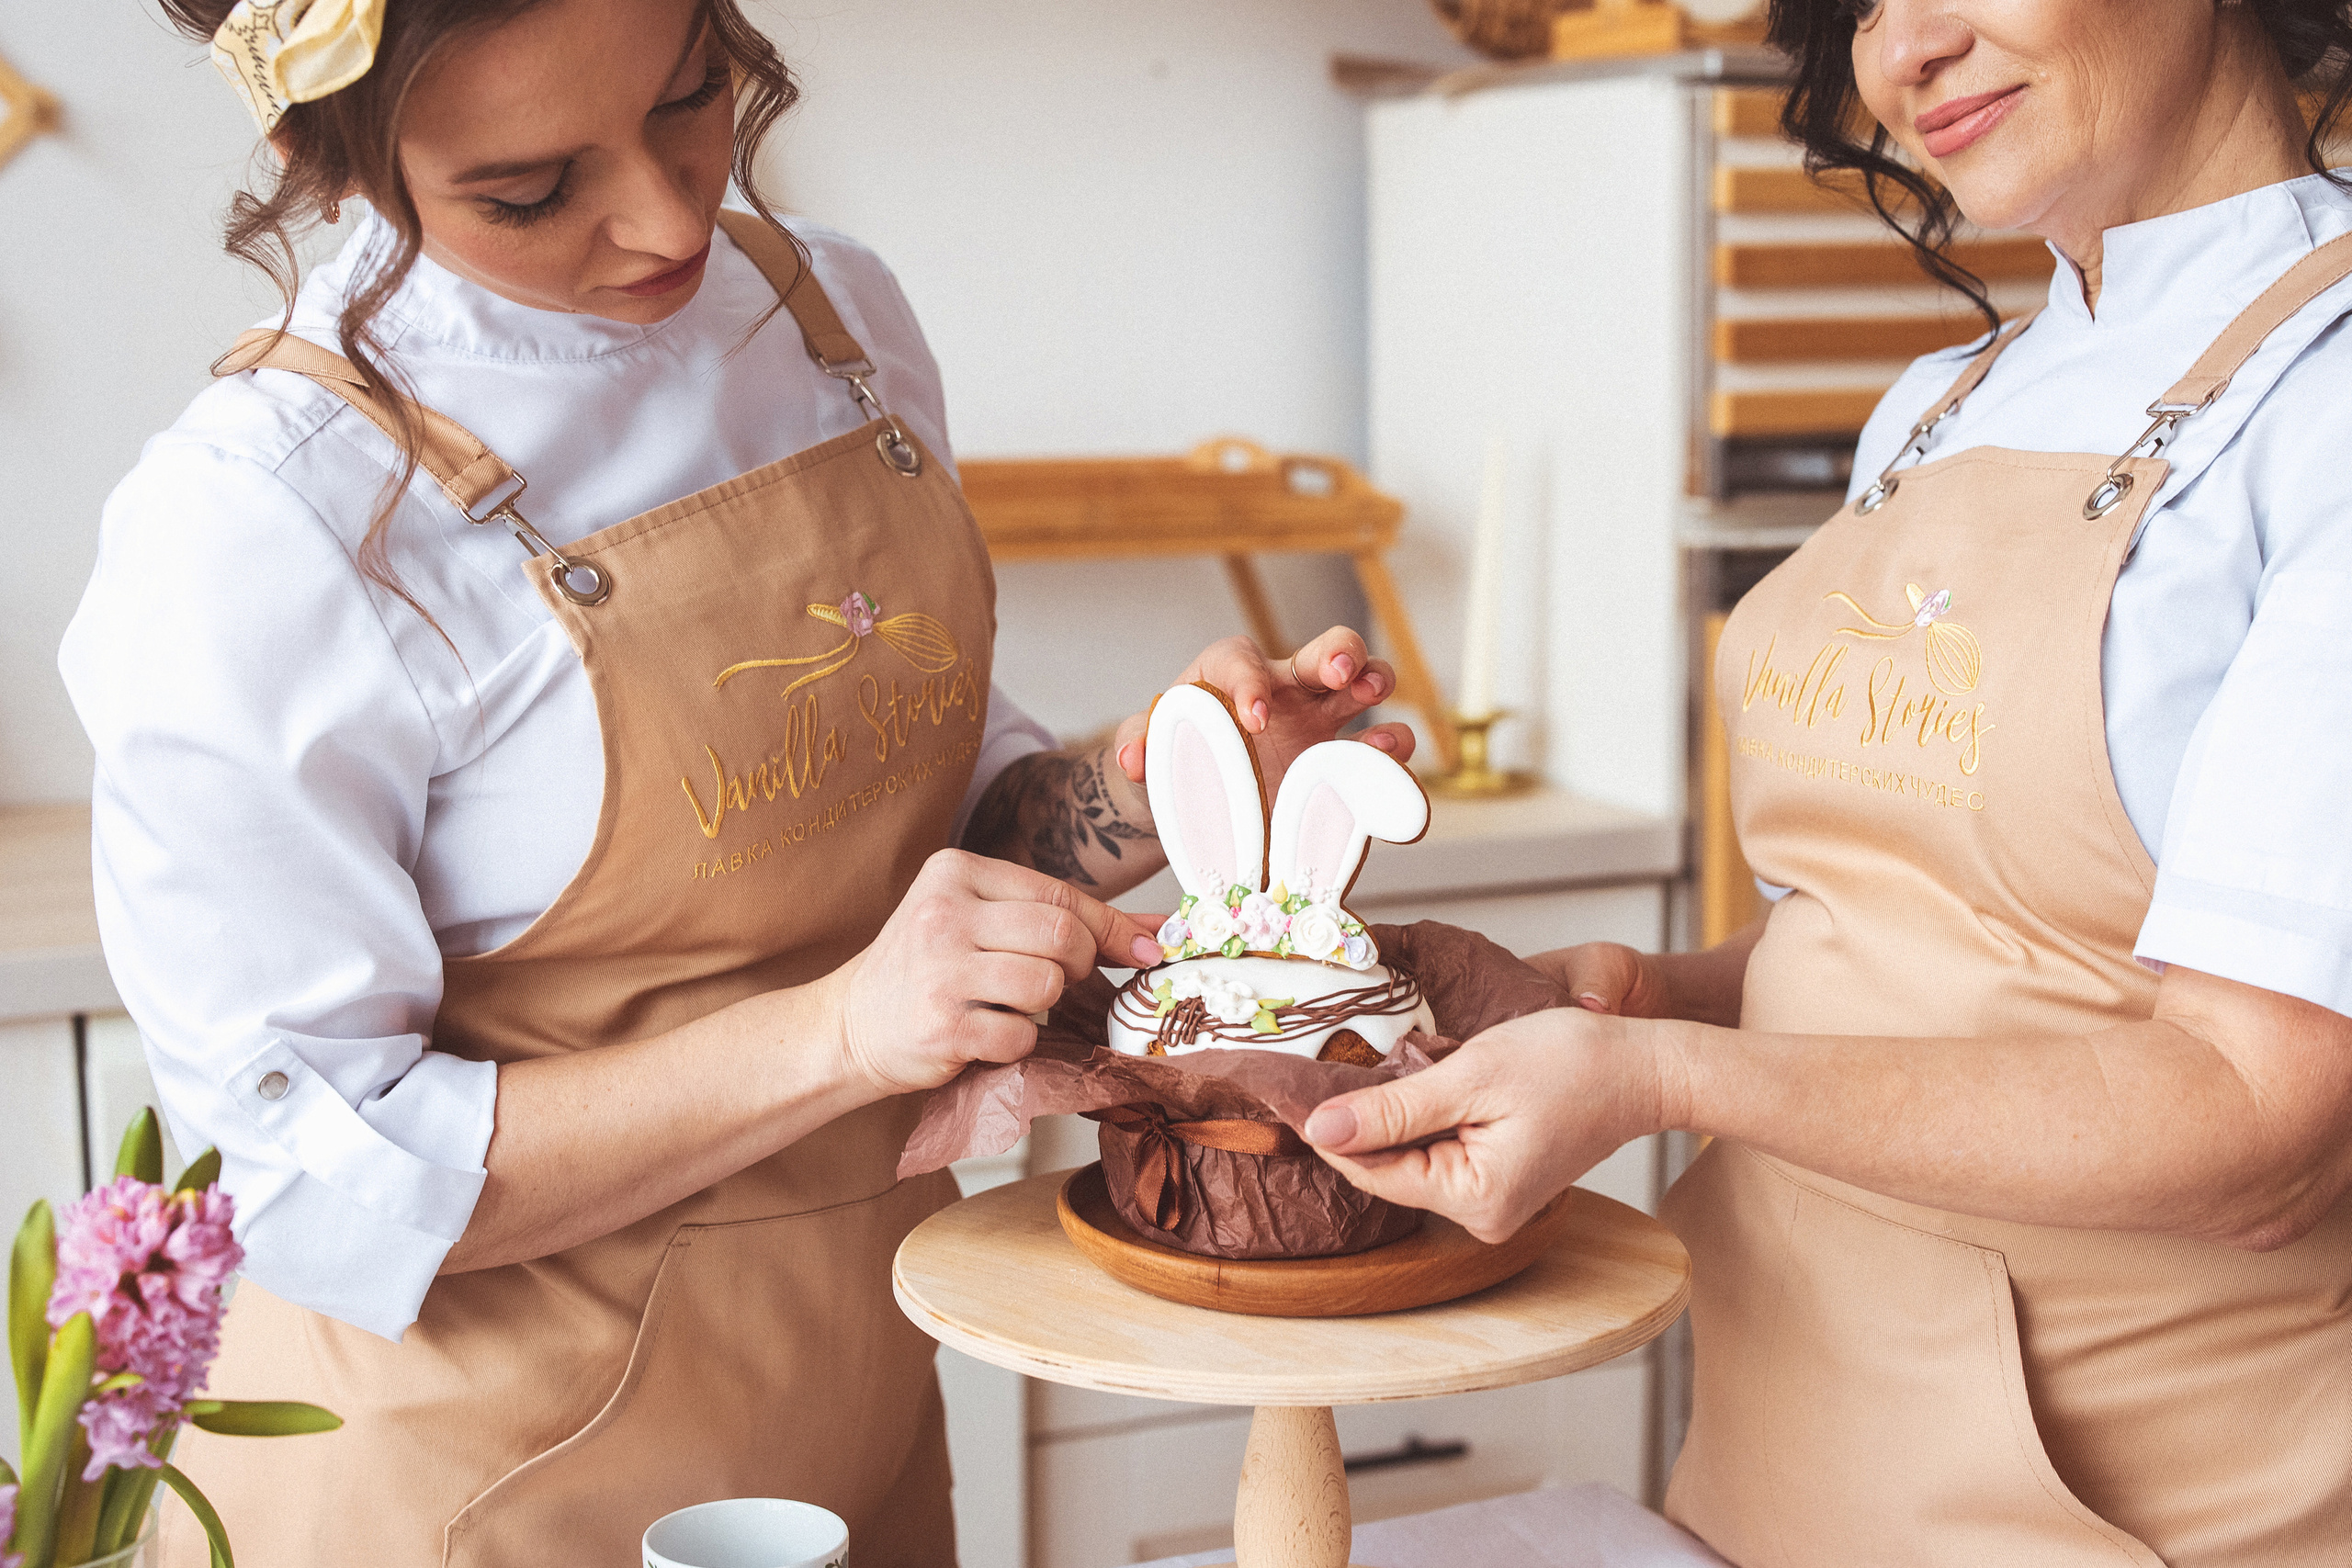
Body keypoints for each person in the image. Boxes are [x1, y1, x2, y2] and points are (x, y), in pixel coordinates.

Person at [59, 2, 1411, 1562]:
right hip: (481, 1481)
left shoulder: (831, 318)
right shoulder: (260, 526)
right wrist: (837, 1035)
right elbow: (315, 1178)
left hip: (852, 1414)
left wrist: (1152, 789)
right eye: (530, 190)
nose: (669, 213)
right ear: (325, 151)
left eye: (695, 97)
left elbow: (929, 831)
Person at [1306, 2, 2352, 1562]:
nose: (1902, 48)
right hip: (1766, 1466)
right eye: (1858, 2)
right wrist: (1658, 997)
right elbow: (1938, 952)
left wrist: (1657, 1081)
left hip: (2121, 1514)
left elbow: (2262, 1128)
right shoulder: (1942, 402)